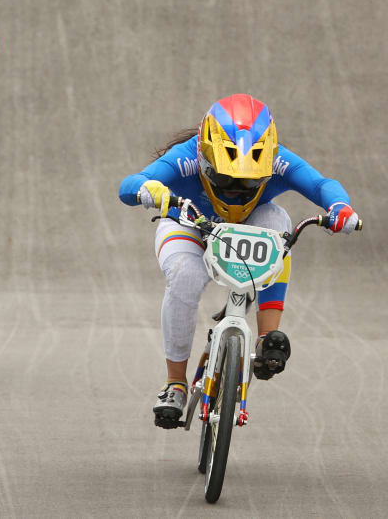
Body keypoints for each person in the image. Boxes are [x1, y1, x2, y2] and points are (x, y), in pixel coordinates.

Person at [118, 94, 360, 429]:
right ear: (204, 159)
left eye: (250, 183)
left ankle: (267, 338)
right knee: (186, 275)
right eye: (226, 180)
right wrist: (148, 189)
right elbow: (129, 184)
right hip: (189, 221)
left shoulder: (278, 160)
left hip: (249, 226)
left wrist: (340, 208)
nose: (236, 192)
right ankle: (175, 381)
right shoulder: (188, 155)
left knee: (277, 222)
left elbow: (322, 185)